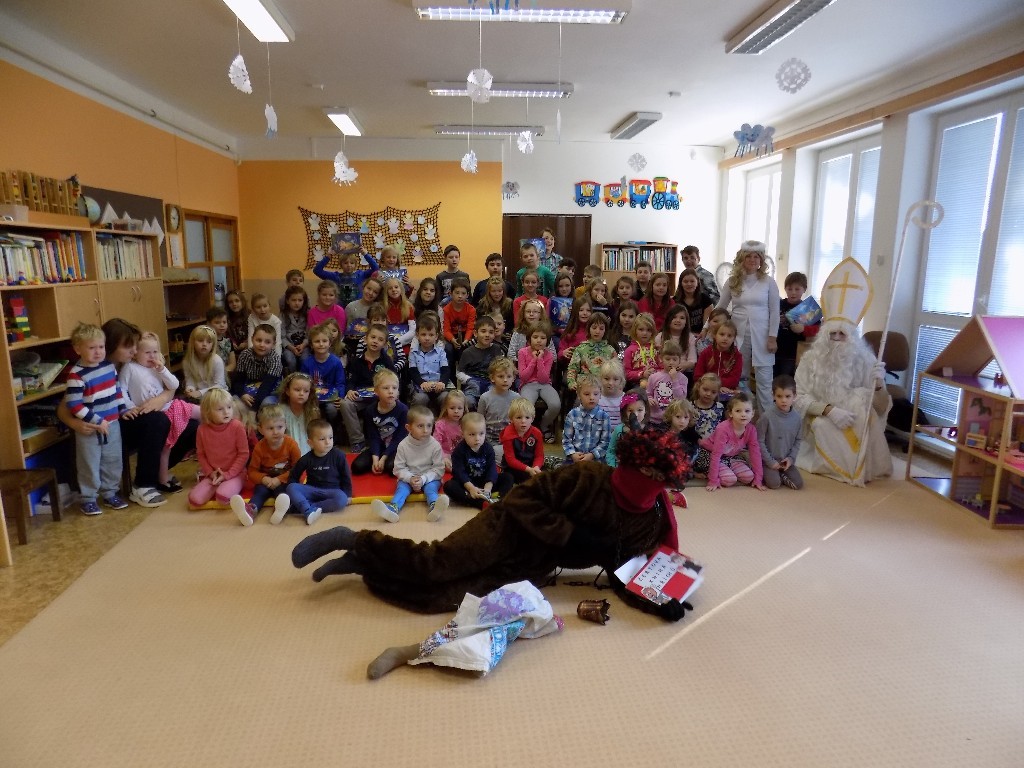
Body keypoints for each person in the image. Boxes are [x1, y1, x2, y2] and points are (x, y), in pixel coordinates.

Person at [290, 427, 694, 622]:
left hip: (533, 564)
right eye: (642, 470)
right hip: (508, 526)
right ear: (629, 462)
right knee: (436, 563)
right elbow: (523, 498)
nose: (647, 480)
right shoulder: (589, 477)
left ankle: (363, 563)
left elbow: (628, 573)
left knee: (446, 597)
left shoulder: (651, 521)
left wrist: (658, 601)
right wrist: (570, 533)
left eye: (656, 476)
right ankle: (355, 539)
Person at [57, 318, 197, 508]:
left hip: (129, 417)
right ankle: (143, 485)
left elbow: (169, 386)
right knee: (158, 421)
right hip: (109, 424)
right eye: (128, 346)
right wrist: (76, 424)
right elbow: (64, 408)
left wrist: (162, 398)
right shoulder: (94, 366)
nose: (134, 350)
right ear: (111, 345)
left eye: (135, 345)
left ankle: (157, 472)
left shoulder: (137, 361)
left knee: (191, 425)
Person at [793, 258, 892, 486]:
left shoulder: (866, 360)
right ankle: (842, 469)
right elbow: (797, 397)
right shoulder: (811, 359)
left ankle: (857, 469)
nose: (837, 339)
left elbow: (880, 407)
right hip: (818, 416)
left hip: (853, 414)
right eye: (832, 334)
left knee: (863, 409)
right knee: (822, 427)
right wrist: (828, 410)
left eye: (842, 335)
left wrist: (879, 384)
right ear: (824, 336)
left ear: (852, 338)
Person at [119, 331, 199, 493]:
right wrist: (129, 407)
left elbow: (174, 384)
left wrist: (162, 370)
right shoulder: (130, 368)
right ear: (136, 353)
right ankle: (160, 478)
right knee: (166, 445)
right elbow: (121, 390)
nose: (152, 356)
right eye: (147, 352)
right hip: (150, 415)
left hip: (170, 406)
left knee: (202, 418)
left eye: (155, 351)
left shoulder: (157, 367)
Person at [64, 322, 129, 516]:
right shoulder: (76, 375)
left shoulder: (109, 366)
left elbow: (116, 390)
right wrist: (97, 421)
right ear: (78, 349)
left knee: (113, 460)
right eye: (92, 348)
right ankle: (89, 498)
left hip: (112, 424)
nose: (98, 352)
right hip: (90, 428)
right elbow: (74, 405)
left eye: (101, 347)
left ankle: (110, 493)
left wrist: (123, 409)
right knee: (89, 463)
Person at [715, 240, 780, 414]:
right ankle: (739, 416)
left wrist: (772, 337)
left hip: (763, 336)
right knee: (739, 377)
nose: (752, 260)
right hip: (738, 336)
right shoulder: (733, 281)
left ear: (761, 260)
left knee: (764, 380)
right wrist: (707, 327)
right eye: (748, 256)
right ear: (741, 259)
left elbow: (775, 311)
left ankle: (766, 420)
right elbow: (721, 306)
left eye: (756, 256)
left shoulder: (768, 282)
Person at [371, 406, 450, 523]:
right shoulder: (403, 445)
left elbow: (438, 469)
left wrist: (424, 479)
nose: (426, 430)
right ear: (409, 428)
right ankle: (392, 508)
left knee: (431, 489)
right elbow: (398, 468)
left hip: (429, 478)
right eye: (420, 426)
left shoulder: (435, 445)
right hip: (409, 478)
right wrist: (410, 478)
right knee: (402, 490)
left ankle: (434, 507)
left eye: (429, 425)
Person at [229, 404, 299, 526]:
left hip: (283, 482)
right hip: (265, 482)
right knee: (259, 493)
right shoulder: (259, 447)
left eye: (279, 427)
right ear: (261, 430)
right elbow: (252, 471)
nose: (276, 432)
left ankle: (280, 510)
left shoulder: (291, 444)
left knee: (284, 494)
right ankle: (250, 510)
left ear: (285, 425)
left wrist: (280, 479)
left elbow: (298, 469)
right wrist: (263, 479)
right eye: (270, 428)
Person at [187, 388, 250, 508]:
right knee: (194, 500)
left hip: (236, 473)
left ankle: (230, 485)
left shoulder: (237, 426)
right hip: (214, 474)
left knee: (222, 497)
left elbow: (243, 454)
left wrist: (228, 474)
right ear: (208, 411)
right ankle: (217, 484)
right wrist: (210, 473)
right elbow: (201, 454)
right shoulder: (202, 429)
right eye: (220, 409)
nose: (226, 412)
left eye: (229, 407)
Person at [283, 418, 353, 525]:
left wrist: (348, 494)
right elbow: (293, 476)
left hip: (332, 491)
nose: (328, 442)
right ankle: (306, 510)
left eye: (330, 437)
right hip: (312, 490)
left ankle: (304, 508)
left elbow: (346, 476)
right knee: (291, 487)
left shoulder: (338, 455)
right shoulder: (306, 459)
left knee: (341, 499)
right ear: (310, 443)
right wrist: (292, 494)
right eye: (322, 439)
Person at [339, 324, 396, 452]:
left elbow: (394, 380)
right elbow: (351, 380)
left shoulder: (387, 361)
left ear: (385, 344)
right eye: (373, 337)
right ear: (365, 339)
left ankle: (384, 439)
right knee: (345, 404)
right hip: (361, 398)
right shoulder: (356, 361)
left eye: (380, 339)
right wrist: (350, 390)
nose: (375, 341)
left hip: (380, 398)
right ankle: (357, 441)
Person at [444, 412, 513, 509]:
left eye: (481, 434)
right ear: (463, 433)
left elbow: (492, 468)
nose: (477, 438)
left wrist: (488, 487)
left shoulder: (488, 448)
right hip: (467, 485)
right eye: (472, 434)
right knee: (449, 486)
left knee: (508, 477)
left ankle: (500, 500)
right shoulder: (459, 450)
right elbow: (459, 472)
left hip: (485, 483)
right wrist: (471, 488)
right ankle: (479, 503)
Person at [702, 393, 765, 492]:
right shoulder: (723, 429)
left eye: (747, 411)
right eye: (738, 411)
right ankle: (707, 472)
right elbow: (716, 455)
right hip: (710, 454)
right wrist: (713, 480)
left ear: (752, 413)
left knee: (748, 477)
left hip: (730, 456)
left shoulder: (751, 429)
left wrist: (758, 479)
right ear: (731, 413)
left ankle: (727, 468)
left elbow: (755, 453)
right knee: (729, 480)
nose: (743, 414)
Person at [352, 369, 407, 476]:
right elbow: (373, 437)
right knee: (357, 467)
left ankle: (386, 461)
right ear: (376, 391)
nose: (391, 391)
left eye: (394, 388)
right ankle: (380, 461)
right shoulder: (370, 410)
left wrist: (384, 458)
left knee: (391, 467)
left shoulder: (403, 410)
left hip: (396, 447)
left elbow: (399, 438)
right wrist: (375, 458)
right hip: (379, 446)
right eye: (386, 388)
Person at [756, 374, 803, 490]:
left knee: (798, 484)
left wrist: (791, 459)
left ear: (794, 396)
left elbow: (798, 440)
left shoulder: (797, 418)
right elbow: (758, 441)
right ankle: (774, 474)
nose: (783, 400)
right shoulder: (766, 417)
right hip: (768, 460)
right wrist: (770, 462)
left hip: (785, 461)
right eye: (779, 396)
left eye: (788, 396)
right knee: (774, 484)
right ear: (773, 396)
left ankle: (781, 474)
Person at [517, 322, 560, 442]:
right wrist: (534, 360)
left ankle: (544, 425)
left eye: (543, 338)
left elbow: (543, 379)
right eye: (535, 337)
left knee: (555, 405)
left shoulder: (549, 355)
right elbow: (523, 377)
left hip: (545, 384)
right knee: (527, 405)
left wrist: (540, 360)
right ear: (529, 339)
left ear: (547, 340)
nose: (539, 340)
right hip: (528, 384)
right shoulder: (522, 352)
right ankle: (528, 429)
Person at [775, 271, 820, 378]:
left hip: (793, 353)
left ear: (804, 289)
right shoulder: (778, 304)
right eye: (790, 289)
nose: (793, 293)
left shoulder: (809, 309)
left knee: (786, 380)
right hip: (775, 350)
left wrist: (803, 329)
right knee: (773, 379)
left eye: (797, 289)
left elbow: (818, 330)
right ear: (785, 289)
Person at [230, 323, 283, 415]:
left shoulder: (275, 359)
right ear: (252, 339)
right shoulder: (244, 355)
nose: (262, 345)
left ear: (273, 344)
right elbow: (238, 381)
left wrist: (253, 409)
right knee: (234, 402)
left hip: (270, 391)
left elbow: (266, 387)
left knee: (266, 405)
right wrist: (242, 394)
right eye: (258, 340)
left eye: (267, 342)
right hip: (249, 387)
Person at [301, 323, 346, 424]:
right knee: (312, 411)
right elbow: (303, 383)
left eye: (324, 341)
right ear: (311, 345)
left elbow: (340, 383)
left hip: (331, 398)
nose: (321, 344)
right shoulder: (307, 363)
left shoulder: (336, 362)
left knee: (332, 410)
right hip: (313, 397)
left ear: (330, 343)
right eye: (317, 341)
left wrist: (340, 397)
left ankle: (332, 429)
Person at [408, 314, 452, 413]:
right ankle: (418, 419)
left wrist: (442, 382)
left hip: (438, 386)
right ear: (417, 335)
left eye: (431, 335)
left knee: (446, 397)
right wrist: (422, 383)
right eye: (423, 334)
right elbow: (413, 372)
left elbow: (445, 370)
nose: (427, 338)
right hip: (421, 387)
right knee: (420, 399)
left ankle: (443, 420)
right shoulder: (413, 353)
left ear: (436, 336)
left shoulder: (441, 352)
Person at [562, 375, 611, 464]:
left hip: (596, 460)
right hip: (574, 459)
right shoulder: (572, 415)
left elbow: (606, 442)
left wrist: (592, 455)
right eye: (587, 394)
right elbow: (566, 440)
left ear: (600, 395)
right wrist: (573, 454)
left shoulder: (604, 417)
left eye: (596, 394)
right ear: (579, 395)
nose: (592, 397)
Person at [457, 315, 502, 410]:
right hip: (473, 384)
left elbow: (501, 368)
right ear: (475, 333)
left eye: (491, 332)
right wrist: (469, 380)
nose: (487, 335)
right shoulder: (467, 352)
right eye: (483, 331)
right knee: (469, 402)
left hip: (491, 383)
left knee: (493, 400)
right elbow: (459, 373)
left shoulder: (496, 349)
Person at [478, 357, 519, 455]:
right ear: (492, 378)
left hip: (510, 439)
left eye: (509, 376)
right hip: (489, 441)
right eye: (500, 376)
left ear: (513, 378)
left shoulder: (517, 398)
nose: (505, 380)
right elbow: (479, 421)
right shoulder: (485, 398)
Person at [313, 247, 378, 307]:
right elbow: (317, 270)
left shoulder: (361, 275)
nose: (349, 265)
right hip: (341, 309)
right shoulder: (336, 277)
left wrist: (365, 254)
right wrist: (328, 256)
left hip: (357, 308)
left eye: (352, 263)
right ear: (341, 264)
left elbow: (376, 269)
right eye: (346, 263)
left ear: (355, 264)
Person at [500, 397, 544, 483]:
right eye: (519, 417)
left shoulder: (537, 433)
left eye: (527, 417)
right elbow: (510, 460)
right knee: (509, 479)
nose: (523, 421)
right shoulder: (507, 434)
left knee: (545, 477)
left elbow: (539, 456)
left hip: (531, 464)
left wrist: (536, 467)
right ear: (511, 419)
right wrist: (528, 469)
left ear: (532, 419)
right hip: (513, 467)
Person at [694, 319, 742, 397]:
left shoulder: (737, 356)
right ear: (714, 335)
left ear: (734, 338)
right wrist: (715, 387)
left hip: (728, 390)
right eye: (722, 334)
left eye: (729, 336)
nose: (725, 338)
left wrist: (720, 386)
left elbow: (734, 379)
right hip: (707, 390)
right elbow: (698, 376)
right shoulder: (706, 353)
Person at [690, 372, 725, 478]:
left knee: (723, 460)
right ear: (698, 387)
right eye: (705, 390)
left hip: (714, 445)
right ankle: (692, 471)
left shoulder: (720, 407)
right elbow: (687, 429)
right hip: (696, 444)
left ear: (717, 393)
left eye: (713, 392)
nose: (708, 394)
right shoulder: (690, 406)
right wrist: (698, 440)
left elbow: (724, 428)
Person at [182, 324, 227, 402]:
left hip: (217, 396)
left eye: (209, 342)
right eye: (200, 341)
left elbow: (220, 385)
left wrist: (200, 392)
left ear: (213, 345)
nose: (204, 344)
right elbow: (190, 380)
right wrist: (190, 388)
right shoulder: (187, 361)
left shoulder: (217, 360)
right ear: (193, 343)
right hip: (198, 397)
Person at [647, 340, 688, 424]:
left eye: (674, 359)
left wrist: (674, 379)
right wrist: (649, 399)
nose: (671, 362)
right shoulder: (653, 377)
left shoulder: (683, 378)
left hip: (673, 420)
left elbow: (681, 399)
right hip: (654, 419)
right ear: (661, 359)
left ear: (679, 360)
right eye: (668, 359)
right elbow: (648, 394)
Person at [605, 392, 647, 468]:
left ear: (645, 410)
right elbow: (610, 451)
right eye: (630, 411)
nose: (635, 414)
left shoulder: (649, 431)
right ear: (625, 412)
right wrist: (613, 466)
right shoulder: (619, 430)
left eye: (640, 410)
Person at [623, 312, 659, 391]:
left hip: (657, 381)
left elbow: (663, 367)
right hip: (637, 383)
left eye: (648, 330)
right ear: (635, 330)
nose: (645, 333)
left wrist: (655, 373)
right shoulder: (629, 350)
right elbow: (626, 373)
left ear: (652, 332)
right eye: (641, 329)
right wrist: (642, 374)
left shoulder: (656, 348)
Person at [433, 389, 466, 473]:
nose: (456, 411)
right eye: (452, 408)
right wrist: (444, 457)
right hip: (445, 456)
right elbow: (436, 444)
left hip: (461, 455)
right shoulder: (440, 424)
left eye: (460, 408)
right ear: (446, 408)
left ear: (464, 409)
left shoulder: (466, 423)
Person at [674, 268, 715, 335]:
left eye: (692, 281)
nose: (689, 284)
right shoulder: (675, 301)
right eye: (685, 282)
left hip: (700, 336)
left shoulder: (705, 299)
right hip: (680, 335)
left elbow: (707, 324)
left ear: (697, 282)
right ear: (681, 283)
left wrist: (700, 335)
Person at [279, 284, 309, 372]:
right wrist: (291, 348)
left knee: (305, 359)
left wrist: (303, 345)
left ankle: (304, 378)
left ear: (304, 301)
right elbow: (282, 336)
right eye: (293, 300)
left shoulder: (307, 314)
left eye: (300, 300)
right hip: (289, 346)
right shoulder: (283, 315)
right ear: (287, 301)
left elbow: (310, 333)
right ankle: (292, 378)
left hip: (304, 346)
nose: (297, 303)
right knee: (290, 360)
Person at [206, 305, 236, 374]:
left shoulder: (228, 342)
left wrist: (222, 373)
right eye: (217, 322)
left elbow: (232, 364)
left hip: (225, 374)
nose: (222, 325)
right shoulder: (206, 342)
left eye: (224, 322)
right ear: (209, 324)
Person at [224, 289, 250, 356]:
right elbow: (226, 334)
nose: (234, 304)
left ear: (242, 301)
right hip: (232, 350)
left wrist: (246, 343)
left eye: (237, 301)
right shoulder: (226, 317)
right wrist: (231, 342)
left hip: (249, 348)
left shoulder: (250, 316)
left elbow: (255, 333)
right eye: (230, 302)